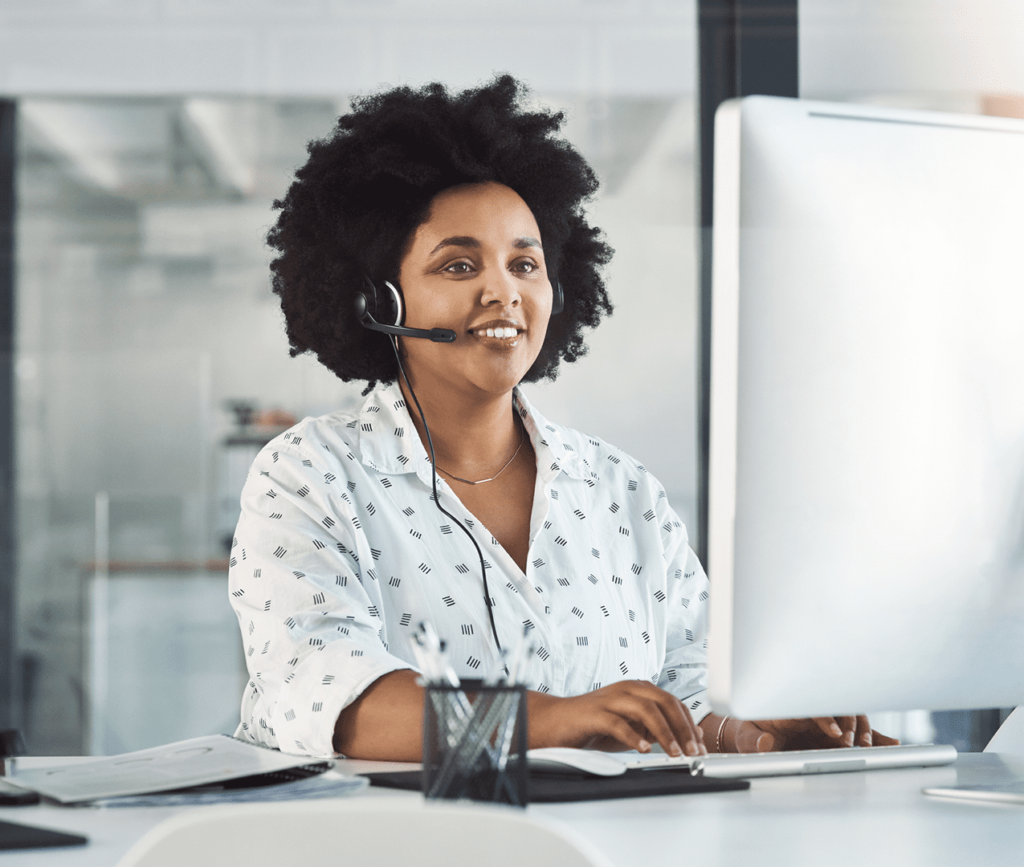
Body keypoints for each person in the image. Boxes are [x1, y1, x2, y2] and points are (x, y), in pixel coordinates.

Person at [228, 75, 895, 760]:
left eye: (525, 263)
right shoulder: (308, 474)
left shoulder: (621, 488)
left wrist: (753, 726)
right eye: (459, 265)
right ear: (381, 302)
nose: (503, 291)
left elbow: (686, 685)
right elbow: (331, 702)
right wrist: (550, 720)